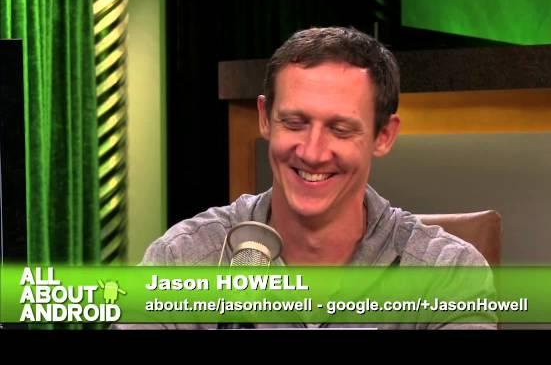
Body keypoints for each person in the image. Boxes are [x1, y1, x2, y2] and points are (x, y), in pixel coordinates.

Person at [115, 26, 497, 330]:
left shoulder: (447, 274)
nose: (313, 153)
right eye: (295, 123)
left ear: (384, 135)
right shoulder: (182, 259)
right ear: (265, 118)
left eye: (340, 129)